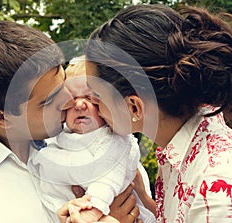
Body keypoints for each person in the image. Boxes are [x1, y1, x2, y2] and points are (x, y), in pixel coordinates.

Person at [0, 20, 140, 223]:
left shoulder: (84, 134)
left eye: (64, 82)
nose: (70, 101)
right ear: (2, 117)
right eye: (49, 100)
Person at [59, 4, 232, 223]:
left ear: (134, 108)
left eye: (96, 96)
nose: (91, 106)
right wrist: (143, 198)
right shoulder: (180, 149)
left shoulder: (215, 188)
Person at [31, 56, 156, 223]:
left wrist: (94, 208)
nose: (80, 105)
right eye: (73, 98)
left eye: (90, 98)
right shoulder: (56, 138)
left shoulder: (115, 141)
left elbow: (108, 179)